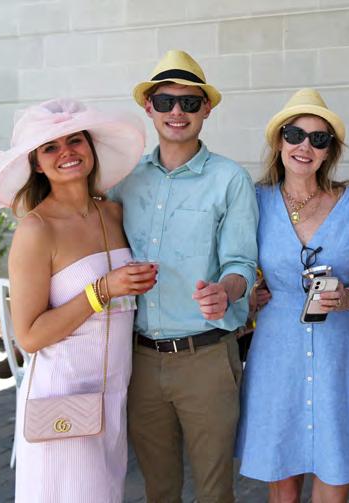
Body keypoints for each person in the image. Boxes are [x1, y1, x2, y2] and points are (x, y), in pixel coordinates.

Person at [0, 98, 155, 502]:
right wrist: (102, 290)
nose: (67, 152)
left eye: (75, 140)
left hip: (113, 392)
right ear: (37, 164)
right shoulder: (36, 229)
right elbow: (29, 336)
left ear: (91, 147)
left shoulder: (113, 214)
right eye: (50, 147)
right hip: (62, 395)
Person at [111, 49, 259, 502]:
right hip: (138, 359)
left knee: (214, 492)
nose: (177, 111)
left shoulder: (230, 179)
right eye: (165, 101)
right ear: (149, 107)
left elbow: (241, 264)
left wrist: (225, 291)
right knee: (159, 490)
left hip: (206, 358)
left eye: (190, 102)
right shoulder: (124, 179)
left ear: (206, 108)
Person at [235, 88, 349, 502]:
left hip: (339, 351)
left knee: (336, 462)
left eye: (318, 139)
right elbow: (235, 261)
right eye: (295, 135)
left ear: (329, 150)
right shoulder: (255, 201)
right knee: (282, 473)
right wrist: (250, 291)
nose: (305, 147)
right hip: (276, 351)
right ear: (279, 141)